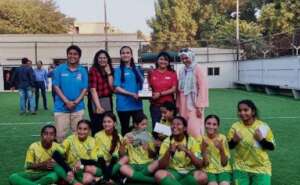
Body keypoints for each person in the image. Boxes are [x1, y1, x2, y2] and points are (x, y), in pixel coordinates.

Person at [227, 100, 275, 185]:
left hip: (261, 168)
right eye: (240, 110)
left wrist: (261, 139)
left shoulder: (263, 126)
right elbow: (229, 147)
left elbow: (271, 147)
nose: (242, 113)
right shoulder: (235, 127)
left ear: (253, 112)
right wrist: (234, 140)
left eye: (245, 110)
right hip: (241, 167)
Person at [155, 116, 207, 185]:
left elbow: (199, 165)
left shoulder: (192, 141)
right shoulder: (166, 142)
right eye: (173, 124)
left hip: (189, 172)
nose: (174, 126)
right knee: (159, 174)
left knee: (203, 177)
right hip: (173, 172)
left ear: (185, 128)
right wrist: (169, 151)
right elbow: (161, 166)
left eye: (178, 124)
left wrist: (187, 151)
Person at [53, 45, 88, 142]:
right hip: (61, 108)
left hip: (78, 108)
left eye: (75, 54)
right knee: (60, 136)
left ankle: (76, 157)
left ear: (79, 56)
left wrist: (75, 102)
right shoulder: (59, 69)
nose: (72, 56)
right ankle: (61, 157)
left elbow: (85, 88)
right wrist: (67, 102)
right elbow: (56, 86)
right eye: (70, 54)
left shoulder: (83, 70)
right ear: (67, 55)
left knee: (78, 136)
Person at [54, 120, 101, 185]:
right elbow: (55, 154)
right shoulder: (70, 139)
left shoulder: (93, 141)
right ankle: (75, 182)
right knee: (54, 163)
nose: (82, 131)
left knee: (88, 178)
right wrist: (68, 170)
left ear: (89, 131)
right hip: (70, 168)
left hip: (83, 168)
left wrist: (81, 162)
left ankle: (70, 180)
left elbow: (94, 161)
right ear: (76, 129)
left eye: (85, 129)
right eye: (80, 128)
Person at [177, 48, 208, 137]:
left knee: (195, 128)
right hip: (183, 104)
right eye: (182, 58)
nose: (184, 60)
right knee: (184, 126)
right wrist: (179, 105)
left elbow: (203, 87)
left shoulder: (198, 68)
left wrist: (199, 106)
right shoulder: (182, 70)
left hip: (194, 104)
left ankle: (197, 149)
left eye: (186, 58)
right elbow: (180, 90)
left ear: (192, 57)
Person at [119, 113, 159, 184]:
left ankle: (133, 178)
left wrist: (148, 149)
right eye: (142, 124)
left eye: (146, 124)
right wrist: (123, 144)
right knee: (123, 168)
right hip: (133, 165)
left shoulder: (148, 135)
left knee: (157, 162)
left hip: (147, 164)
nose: (145, 126)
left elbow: (154, 155)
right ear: (135, 124)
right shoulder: (128, 135)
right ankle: (153, 180)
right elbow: (122, 155)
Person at [114, 46, 144, 136]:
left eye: (127, 53)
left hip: (137, 105)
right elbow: (117, 88)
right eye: (123, 53)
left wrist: (137, 71)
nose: (125, 55)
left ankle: (138, 149)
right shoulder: (118, 70)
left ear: (131, 55)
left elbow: (144, 84)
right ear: (120, 56)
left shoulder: (137, 69)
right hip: (123, 106)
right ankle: (126, 149)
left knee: (139, 129)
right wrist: (131, 94)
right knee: (125, 129)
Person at [94, 112, 128, 183]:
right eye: (104, 122)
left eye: (109, 122)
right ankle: (114, 178)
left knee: (125, 158)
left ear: (114, 124)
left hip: (114, 163)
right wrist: (106, 162)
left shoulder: (119, 136)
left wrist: (123, 146)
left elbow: (121, 154)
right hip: (102, 163)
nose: (106, 124)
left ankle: (104, 177)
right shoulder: (97, 135)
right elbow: (97, 153)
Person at [148, 51, 177, 130]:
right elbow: (148, 87)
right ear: (157, 60)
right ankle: (158, 141)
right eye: (161, 59)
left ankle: (168, 142)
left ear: (168, 62)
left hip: (168, 107)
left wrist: (160, 94)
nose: (163, 61)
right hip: (156, 106)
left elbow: (173, 89)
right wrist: (149, 95)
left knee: (168, 129)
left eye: (165, 60)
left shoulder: (172, 73)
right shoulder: (152, 73)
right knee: (157, 128)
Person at [89, 50, 114, 135]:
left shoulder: (110, 69)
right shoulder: (93, 70)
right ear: (97, 59)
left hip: (107, 100)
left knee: (109, 125)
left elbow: (112, 88)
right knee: (97, 126)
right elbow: (93, 89)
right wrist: (98, 106)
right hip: (95, 101)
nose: (102, 60)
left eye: (104, 58)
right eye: (100, 58)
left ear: (107, 59)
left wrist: (109, 73)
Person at [202, 115, 232, 185]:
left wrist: (221, 149)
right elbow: (205, 164)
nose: (211, 126)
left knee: (224, 184)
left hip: (224, 170)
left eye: (214, 124)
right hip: (209, 170)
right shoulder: (202, 139)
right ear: (204, 124)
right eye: (208, 123)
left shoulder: (222, 138)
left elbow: (224, 163)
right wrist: (203, 148)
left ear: (218, 126)